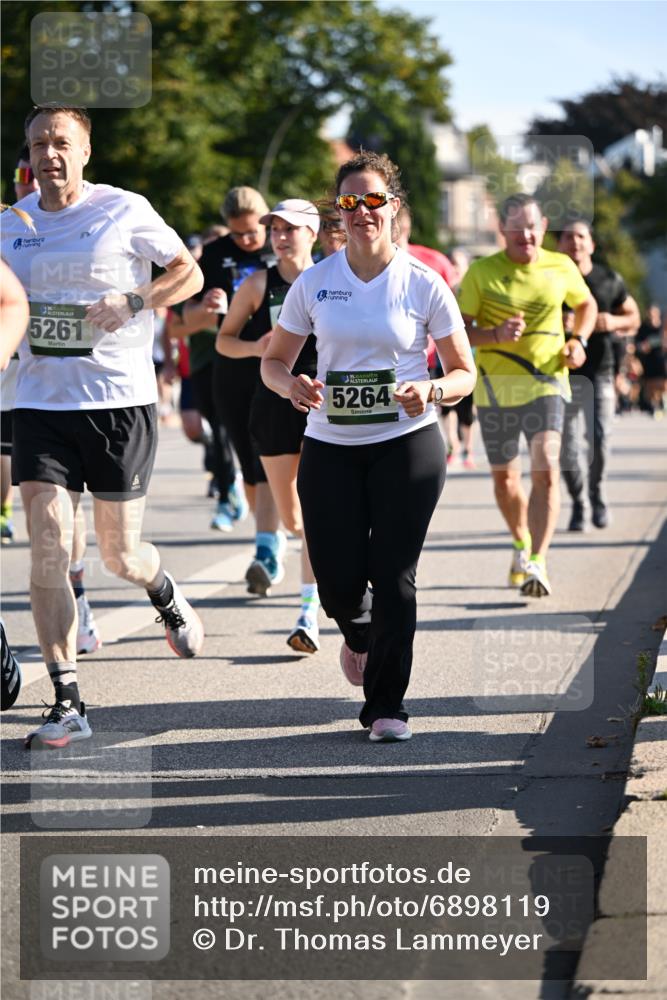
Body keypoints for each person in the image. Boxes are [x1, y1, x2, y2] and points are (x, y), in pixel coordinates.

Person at [1, 105, 205, 750]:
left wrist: (133, 300)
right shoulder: (8, 227)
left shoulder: (123, 209)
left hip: (118, 402)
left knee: (121, 556)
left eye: (61, 142)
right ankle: (67, 699)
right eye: (38, 143)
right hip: (39, 406)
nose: (48, 154)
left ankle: (162, 588)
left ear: (86, 150)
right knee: (49, 545)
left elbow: (188, 273)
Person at [261, 151, 476, 742]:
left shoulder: (423, 283)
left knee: (395, 575)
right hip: (330, 445)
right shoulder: (316, 282)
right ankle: (359, 636)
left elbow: (464, 373)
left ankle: (387, 706)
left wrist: (431, 389)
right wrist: (293, 385)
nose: (362, 213)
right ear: (339, 211)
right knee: (337, 582)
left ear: (394, 208)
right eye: (350, 203)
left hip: (406, 443)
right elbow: (273, 362)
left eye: (374, 201)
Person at [458, 193, 597, 597]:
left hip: (547, 382)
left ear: (543, 225)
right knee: (505, 481)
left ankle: (537, 560)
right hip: (496, 389)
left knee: (547, 469)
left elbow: (585, 304)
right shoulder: (482, 273)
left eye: (533, 226)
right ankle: (520, 543)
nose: (527, 235)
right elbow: (459, 329)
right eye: (517, 228)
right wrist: (495, 335)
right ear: (502, 230)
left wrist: (579, 340)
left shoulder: (561, 265)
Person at [244, 198, 321, 650]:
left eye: (290, 228)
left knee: (313, 513)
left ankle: (307, 612)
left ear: (312, 233)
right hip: (273, 402)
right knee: (292, 518)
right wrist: (260, 349)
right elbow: (225, 341)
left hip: (321, 403)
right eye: (275, 228)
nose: (280, 235)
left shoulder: (331, 280)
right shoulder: (260, 282)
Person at [558, 219, 640, 529]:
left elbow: (633, 316)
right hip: (562, 372)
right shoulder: (552, 278)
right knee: (565, 448)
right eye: (568, 237)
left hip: (601, 371)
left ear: (591, 244)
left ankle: (597, 496)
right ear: (559, 244)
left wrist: (611, 321)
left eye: (581, 236)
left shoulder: (608, 279)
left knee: (599, 441)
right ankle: (578, 502)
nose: (575, 242)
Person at [636, 305, 666, 418]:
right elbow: (637, 344)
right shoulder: (643, 328)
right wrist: (642, 347)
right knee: (650, 385)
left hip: (662, 359)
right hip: (648, 360)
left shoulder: (663, 327)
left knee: (663, 384)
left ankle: (662, 403)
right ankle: (653, 406)